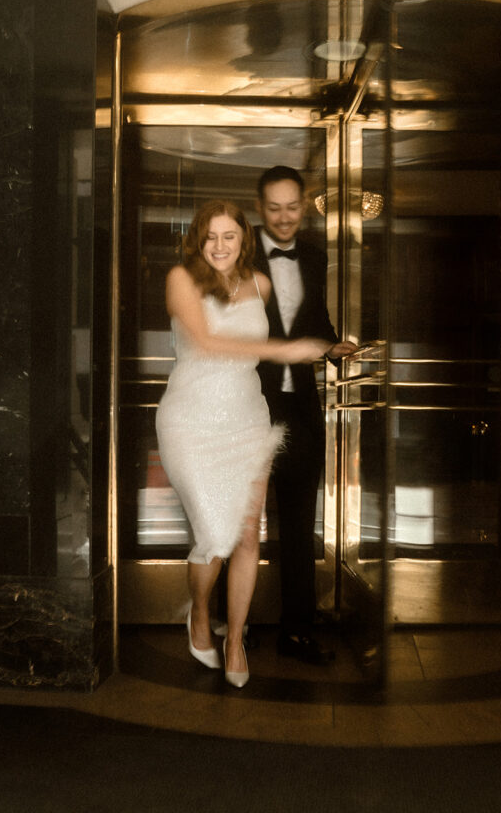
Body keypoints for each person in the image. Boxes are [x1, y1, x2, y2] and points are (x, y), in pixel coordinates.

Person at [155, 199, 329, 688]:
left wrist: (326, 345)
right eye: (210, 236)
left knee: (248, 532)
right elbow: (208, 343)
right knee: (215, 532)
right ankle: (200, 612)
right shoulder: (180, 279)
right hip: (190, 419)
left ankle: (234, 639)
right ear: (197, 240)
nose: (219, 246)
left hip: (247, 417)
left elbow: (304, 320)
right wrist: (285, 351)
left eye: (229, 236)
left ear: (243, 240)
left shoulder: (261, 283)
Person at [254, 166, 358, 665]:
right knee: (238, 520)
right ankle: (235, 624)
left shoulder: (315, 256)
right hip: (249, 404)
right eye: (274, 207)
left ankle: (296, 630)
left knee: (298, 523)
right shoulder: (236, 250)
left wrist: (335, 346)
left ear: (304, 203)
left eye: (292, 206)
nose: (284, 217)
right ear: (260, 208)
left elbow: (313, 318)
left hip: (301, 407)